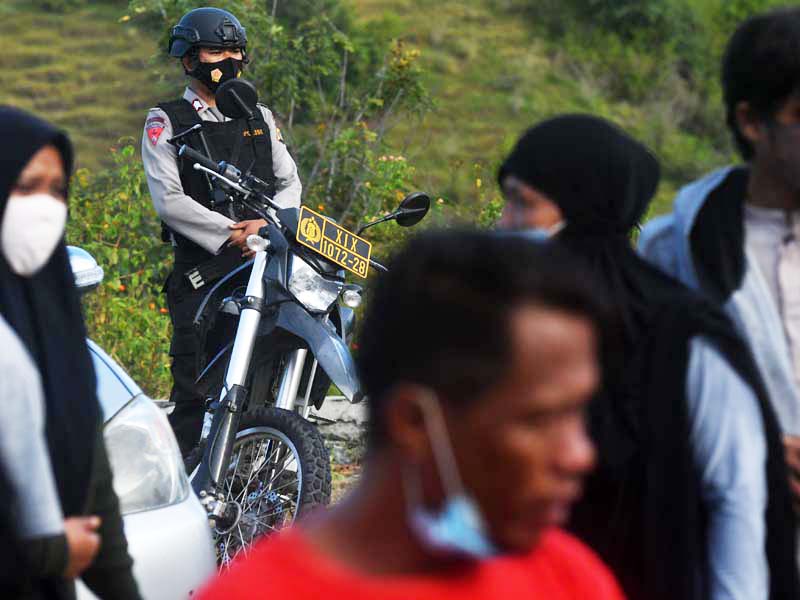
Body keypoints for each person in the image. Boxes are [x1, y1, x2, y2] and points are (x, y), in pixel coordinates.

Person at [196, 231, 624, 599]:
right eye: (539, 420)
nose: (579, 455)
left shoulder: (567, 577)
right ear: (415, 423)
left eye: (579, 416)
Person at [497, 114, 799, 600]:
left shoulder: (681, 335)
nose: (504, 223)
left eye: (522, 203)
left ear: (584, 207)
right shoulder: (499, 330)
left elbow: (737, 498)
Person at [639, 7, 800, 561]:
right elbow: (644, 402)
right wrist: (749, 454)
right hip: (731, 554)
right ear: (753, 122)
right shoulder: (672, 251)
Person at [141, 7, 302, 454]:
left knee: (263, 379)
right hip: (203, 275)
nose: (228, 60)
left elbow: (289, 183)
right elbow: (169, 200)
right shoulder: (166, 121)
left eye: (235, 51)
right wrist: (233, 232)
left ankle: (266, 471)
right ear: (189, 59)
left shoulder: (259, 117)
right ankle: (183, 484)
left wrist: (269, 225)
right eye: (215, 51)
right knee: (195, 392)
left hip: (265, 264)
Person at [0, 105, 141, 599]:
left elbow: (94, 488)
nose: (44, 206)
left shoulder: (52, 314)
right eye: (26, 187)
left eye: (57, 190)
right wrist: (50, 552)